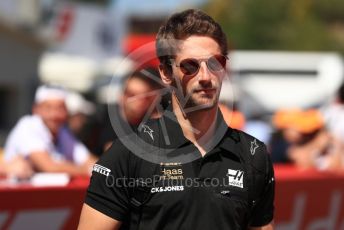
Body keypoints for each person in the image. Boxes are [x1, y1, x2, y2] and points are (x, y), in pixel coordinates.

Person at [79, 9, 274, 230]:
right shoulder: (127, 153)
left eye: (215, 63)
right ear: (166, 73)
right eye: (190, 66)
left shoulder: (253, 155)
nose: (205, 77)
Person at [3, 85, 96, 176]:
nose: (55, 114)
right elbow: (49, 167)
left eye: (60, 108)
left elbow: (90, 161)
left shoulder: (63, 132)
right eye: (48, 108)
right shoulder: (28, 125)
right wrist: (88, 170)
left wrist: (94, 169)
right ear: (36, 109)